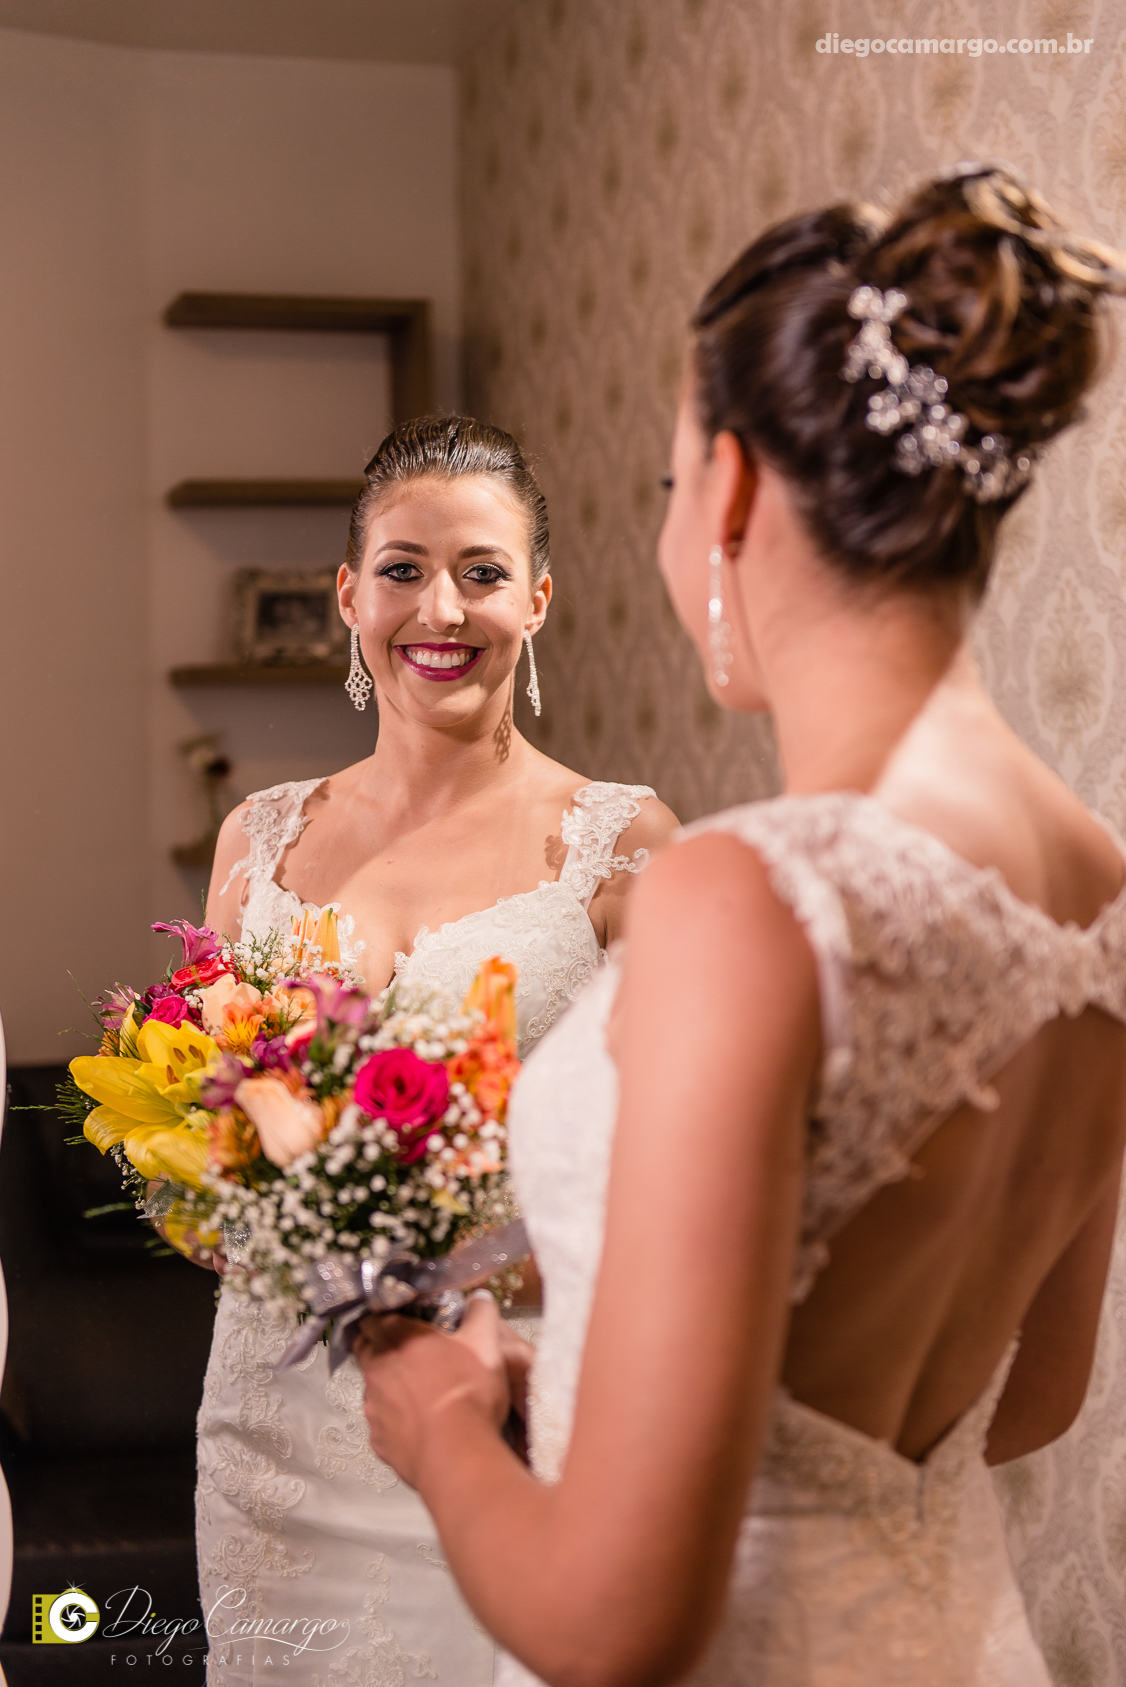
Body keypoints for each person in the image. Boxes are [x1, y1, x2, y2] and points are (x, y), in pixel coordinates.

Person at [354, 165, 1126, 1686]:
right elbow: (1028, 1394)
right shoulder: (1098, 881)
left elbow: (615, 1623)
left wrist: (441, 1423)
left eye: (664, 486)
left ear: (729, 490)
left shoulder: (746, 892)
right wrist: (576, 1377)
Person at [194, 415, 677, 1687]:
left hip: (505, 1400)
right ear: (348, 592)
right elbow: (215, 1115)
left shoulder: (625, 845)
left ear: (538, 596)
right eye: (402, 568)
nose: (439, 608)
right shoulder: (257, 837)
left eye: (480, 570)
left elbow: (676, 1164)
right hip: (270, 1416)